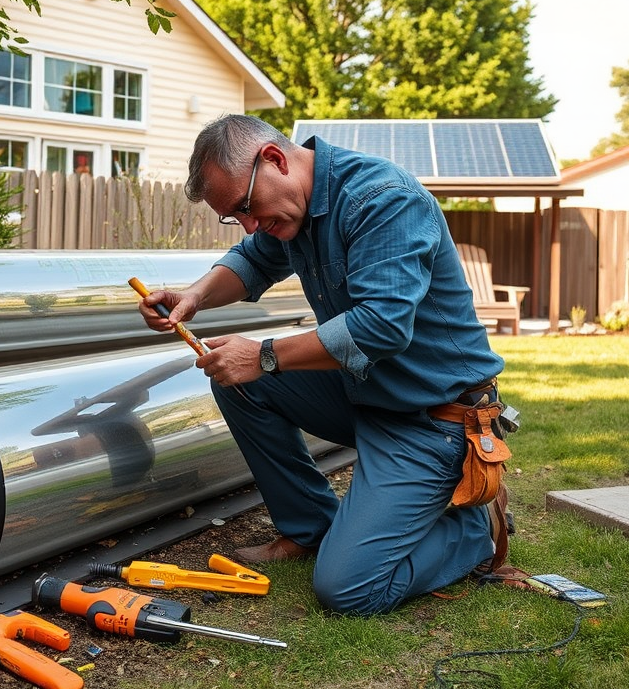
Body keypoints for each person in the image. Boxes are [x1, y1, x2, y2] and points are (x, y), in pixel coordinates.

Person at [136, 114, 513, 615]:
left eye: (246, 207)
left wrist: (264, 354)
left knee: (348, 590)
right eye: (235, 217)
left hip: (433, 418)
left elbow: (381, 326)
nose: (250, 225)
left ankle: (474, 531)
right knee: (235, 379)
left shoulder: (382, 199)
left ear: (274, 160)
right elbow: (250, 262)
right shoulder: (294, 205)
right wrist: (194, 296)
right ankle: (310, 529)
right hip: (370, 392)